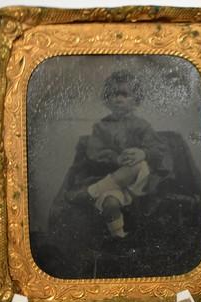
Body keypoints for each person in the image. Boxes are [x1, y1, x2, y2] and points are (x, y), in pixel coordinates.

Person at [65, 70, 174, 239]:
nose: (118, 99)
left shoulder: (142, 125)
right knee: (110, 204)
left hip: (139, 181)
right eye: (114, 94)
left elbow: (158, 149)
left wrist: (143, 153)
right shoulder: (101, 127)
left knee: (137, 164)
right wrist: (115, 158)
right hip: (114, 182)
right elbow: (94, 153)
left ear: (135, 100)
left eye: (125, 94)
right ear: (107, 100)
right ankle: (118, 236)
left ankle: (92, 192)